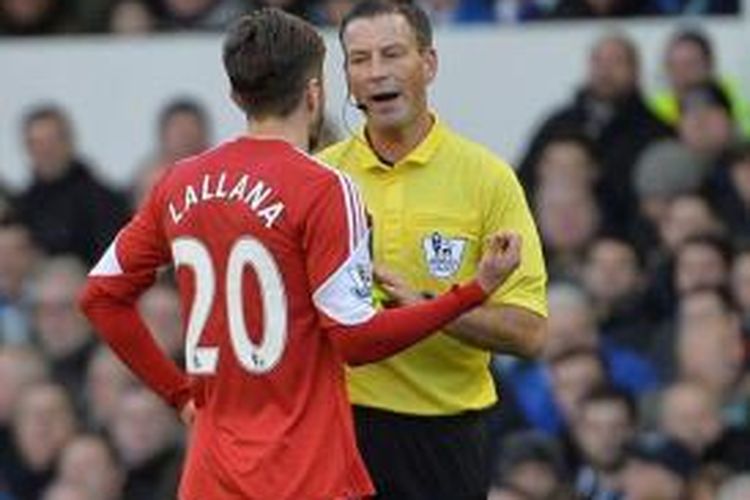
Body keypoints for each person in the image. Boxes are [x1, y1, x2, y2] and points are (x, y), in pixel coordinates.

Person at [79, 8, 521, 500]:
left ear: (235, 95)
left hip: (210, 476)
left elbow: (100, 297)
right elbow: (356, 340)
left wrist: (179, 393)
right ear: (315, 93)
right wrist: (472, 291)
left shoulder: (181, 180)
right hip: (303, 473)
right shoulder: (326, 187)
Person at [318, 1, 547, 498]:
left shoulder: (486, 178)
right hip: (340, 429)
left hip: (446, 436)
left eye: (392, 54)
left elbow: (529, 333)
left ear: (429, 63)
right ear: (347, 77)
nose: (376, 73)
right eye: (360, 60)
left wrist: (430, 308)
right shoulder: (322, 178)